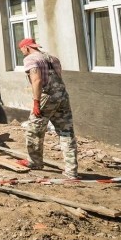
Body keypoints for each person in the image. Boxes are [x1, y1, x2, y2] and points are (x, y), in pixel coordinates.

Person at [16, 38, 78, 179]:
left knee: (34, 130)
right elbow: (59, 77)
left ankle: (35, 162)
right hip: (62, 96)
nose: (23, 54)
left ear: (26, 48)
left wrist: (36, 102)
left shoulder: (31, 59)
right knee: (66, 132)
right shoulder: (53, 58)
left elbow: (37, 80)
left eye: (22, 51)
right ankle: (71, 171)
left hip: (47, 97)